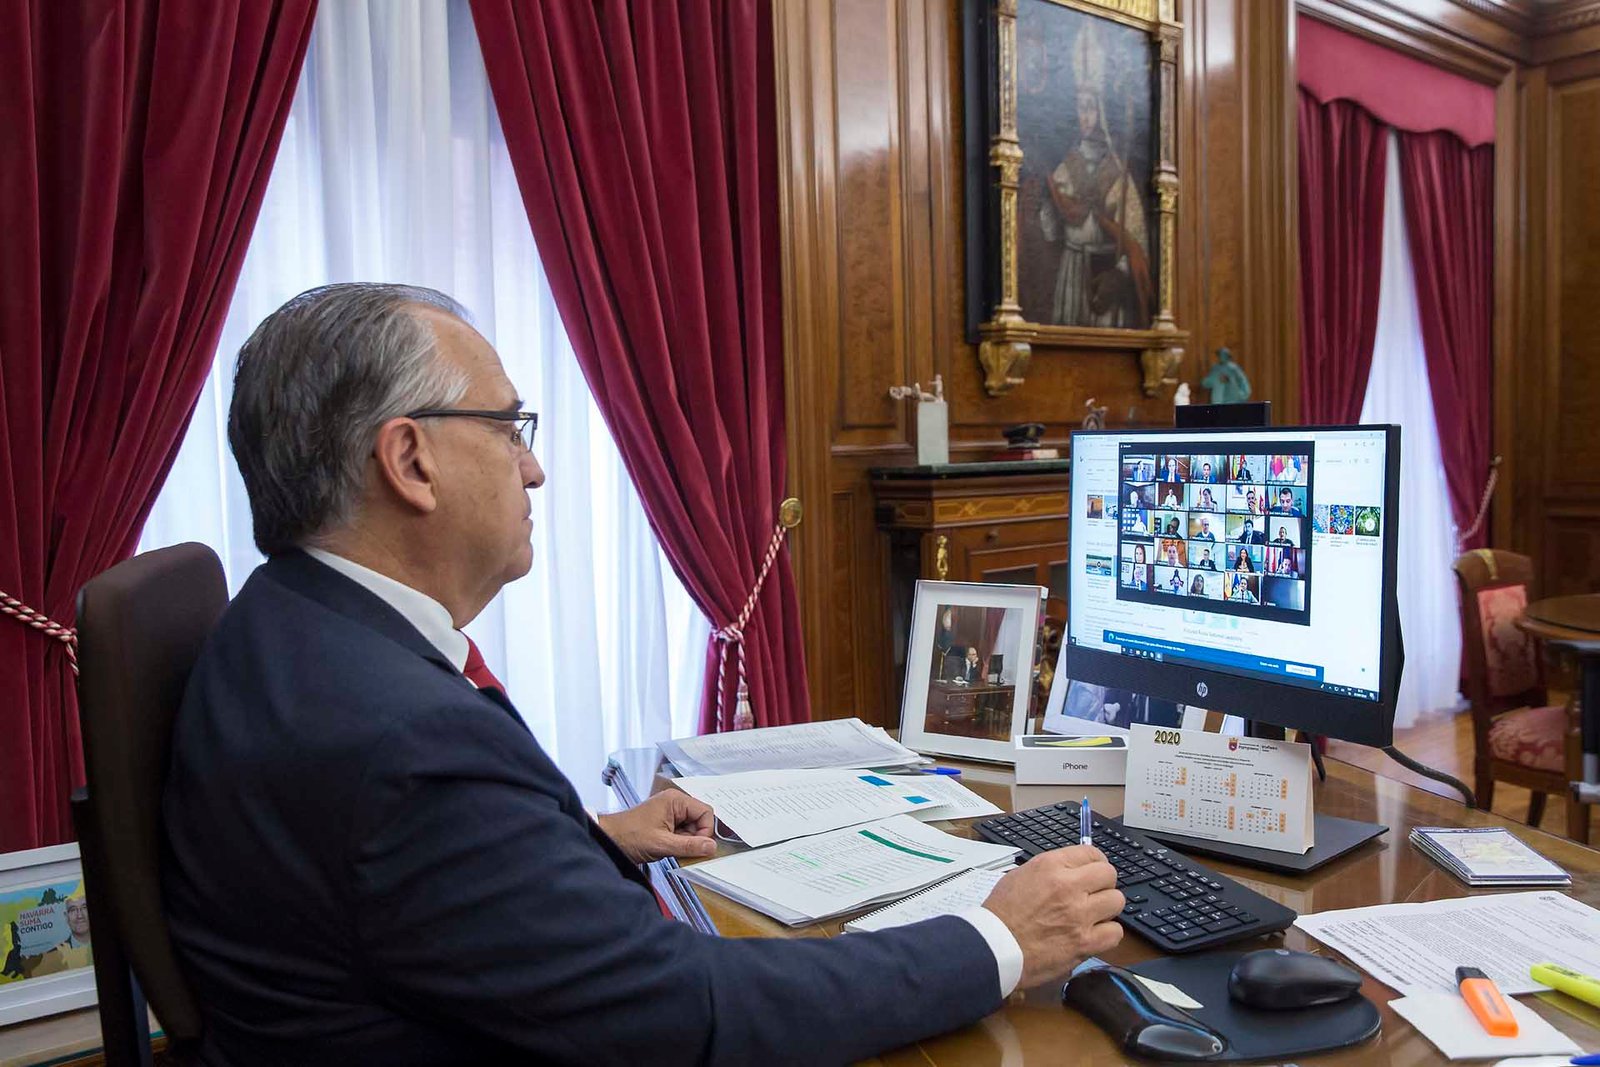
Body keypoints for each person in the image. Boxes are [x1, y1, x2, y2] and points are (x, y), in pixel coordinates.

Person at [161, 284, 1125, 1064]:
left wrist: (585, 841)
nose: (532, 472)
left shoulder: (282, 626)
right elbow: (682, 1013)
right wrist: (997, 936)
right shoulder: (401, 739)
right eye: (509, 429)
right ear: (409, 460)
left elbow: (402, 879)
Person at [1035, 27, 1152, 328]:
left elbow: (1136, 241)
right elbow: (1050, 232)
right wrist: (1052, 204)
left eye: (1090, 108)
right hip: (1071, 273)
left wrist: (1120, 274)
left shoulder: (1116, 172)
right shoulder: (1065, 167)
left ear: (1100, 111)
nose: (1084, 116)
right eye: (1079, 107)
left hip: (1104, 277)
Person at [26, 889, 91, 978]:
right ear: (66, 917)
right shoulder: (51, 957)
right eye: (73, 910)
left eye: (84, 908)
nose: (80, 916)